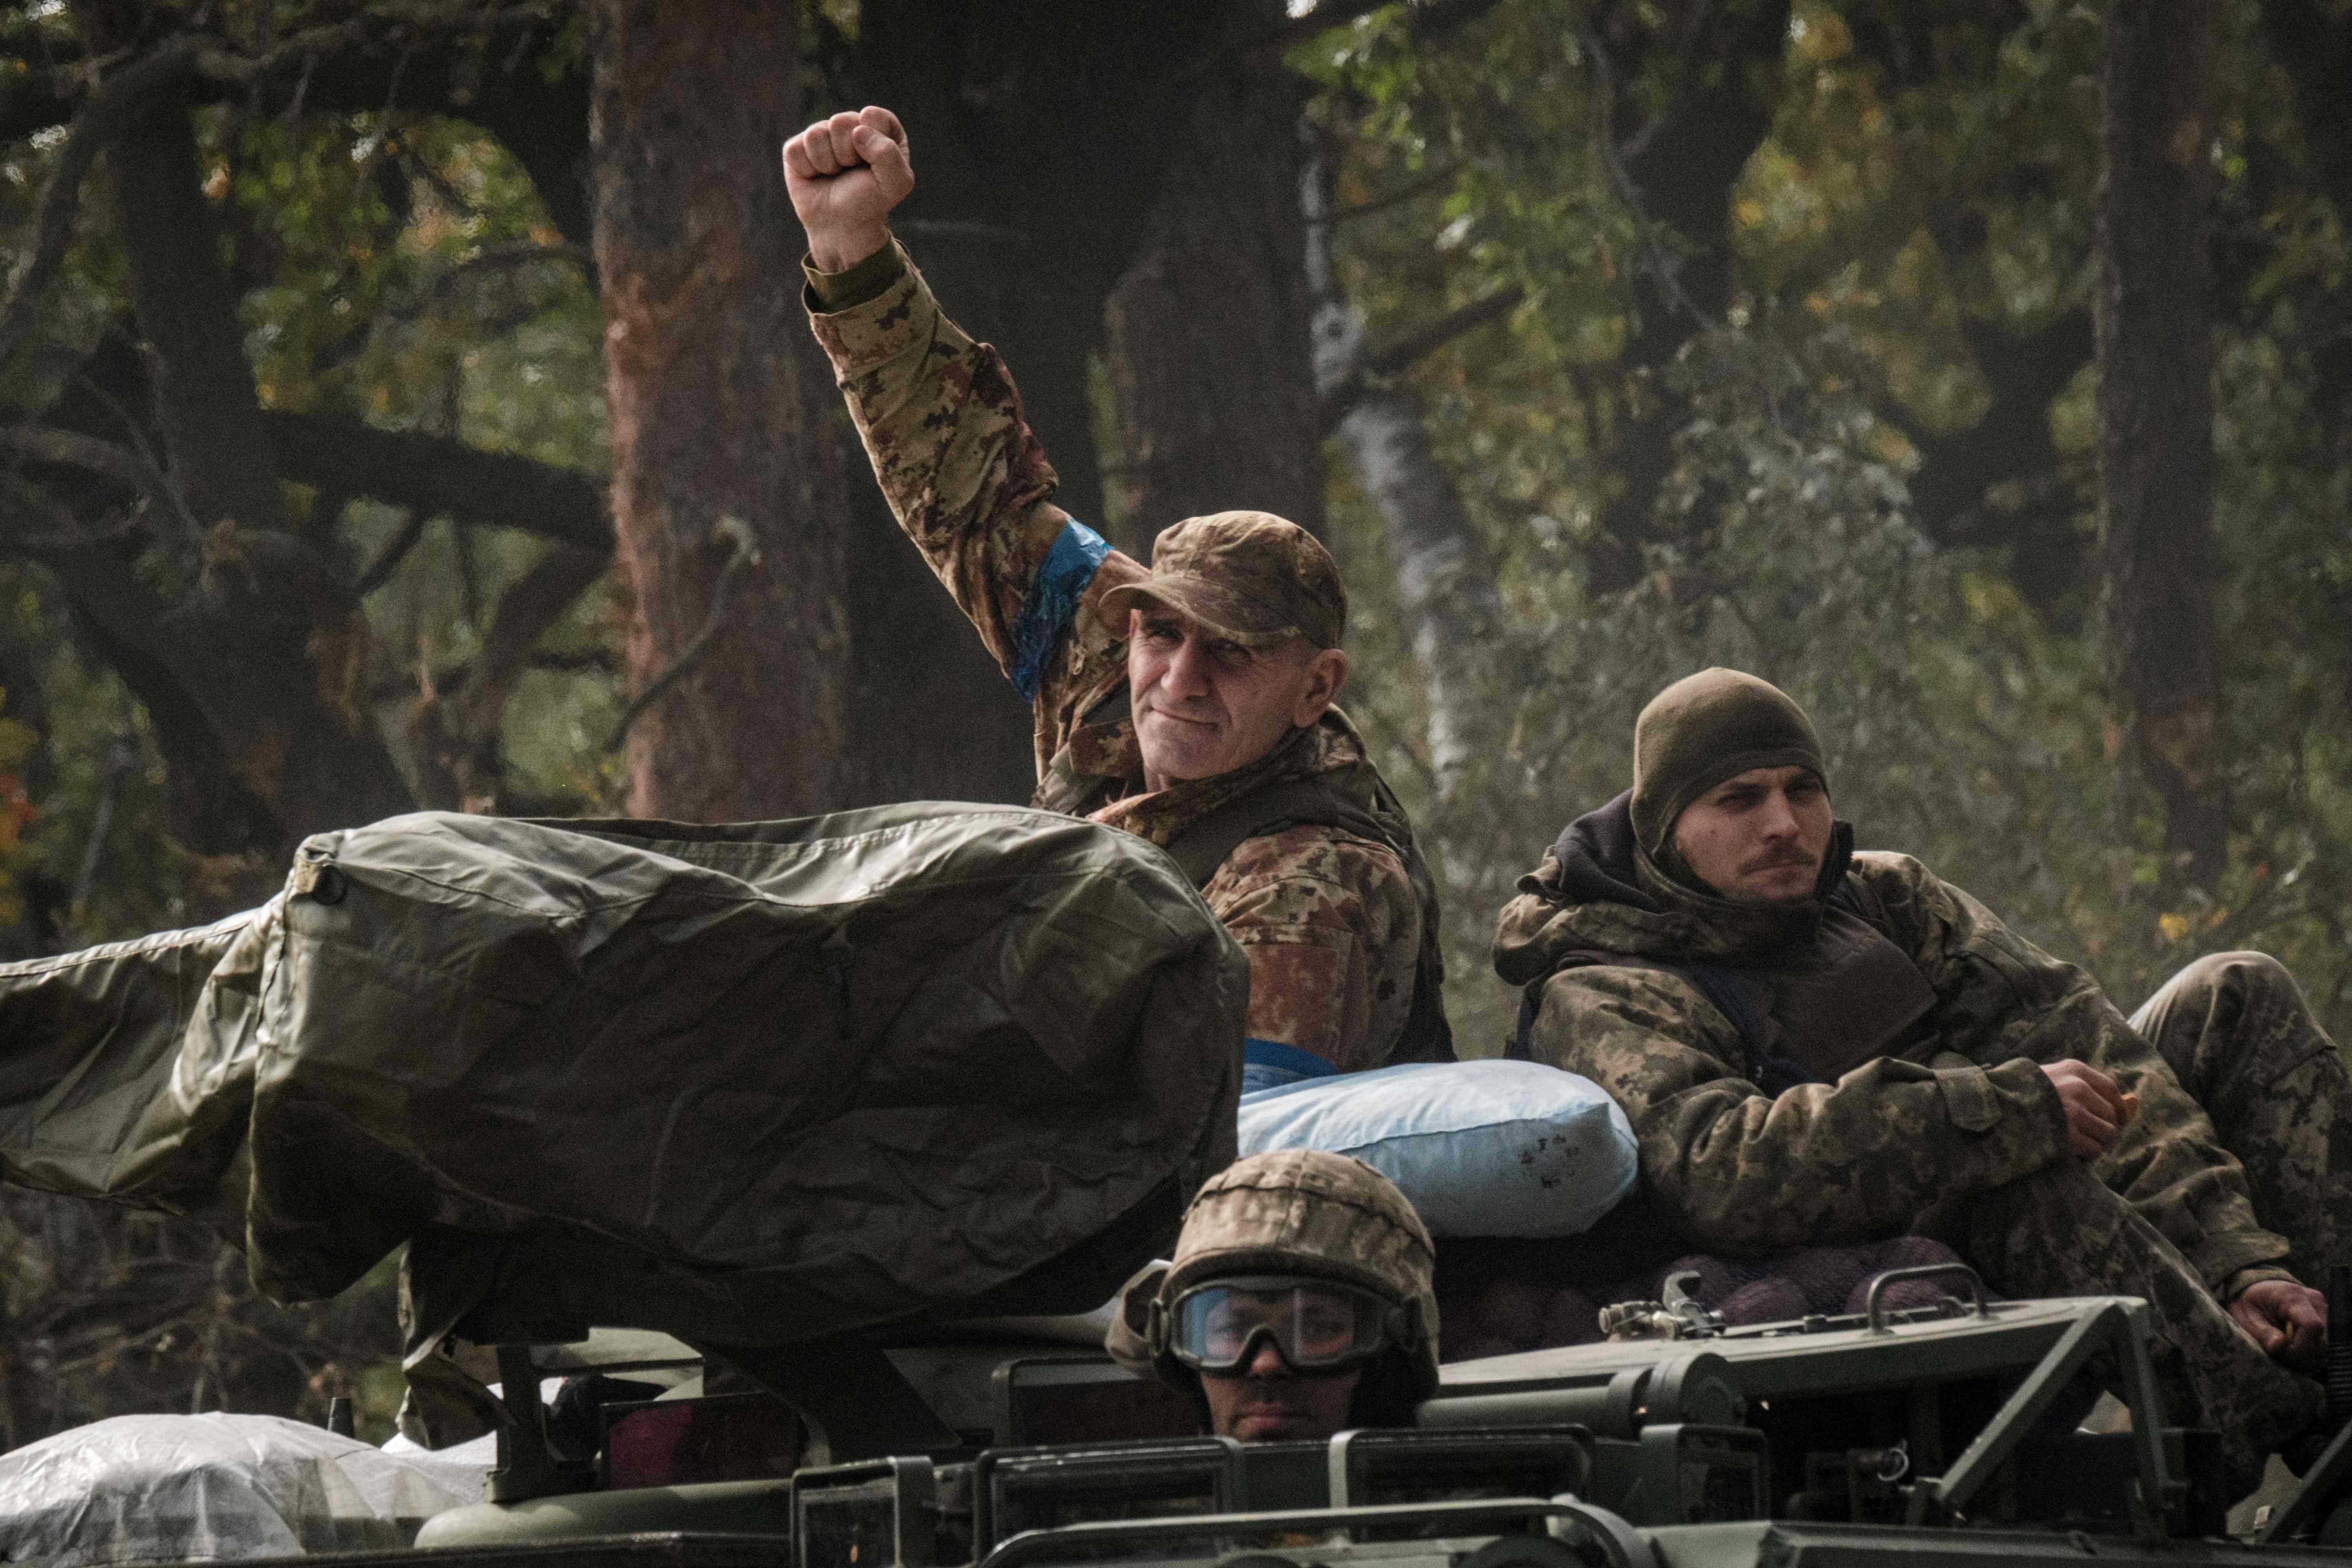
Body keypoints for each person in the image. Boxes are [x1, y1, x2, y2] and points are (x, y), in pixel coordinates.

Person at [1492, 666, 2350, 1491]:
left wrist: (2237, 1259)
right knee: (2020, 1176)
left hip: (1997, 1207)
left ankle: (2321, 1350)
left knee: (2235, 993)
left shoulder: (1886, 900)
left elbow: (2097, 1056)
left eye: (1804, 789)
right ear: (1663, 827)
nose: (1786, 823)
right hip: (1792, 1293)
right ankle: (2290, 1425)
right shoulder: (1604, 978)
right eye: (1740, 799)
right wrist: (1997, 1109)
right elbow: (1723, 1172)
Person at [780, 107, 1451, 1088]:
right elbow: (970, 489)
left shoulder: (1313, 876)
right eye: (1165, 633)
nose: (1180, 679)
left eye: (1232, 652)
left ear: (1316, 690)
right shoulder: (1114, 660)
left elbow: (1216, 1135)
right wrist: (850, 248)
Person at [1105, 1149, 1439, 1441]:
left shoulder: (1463, 1508)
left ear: (1393, 1353)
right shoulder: (1128, 1510)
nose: (1266, 1364)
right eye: (1231, 1329)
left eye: (1316, 1329)